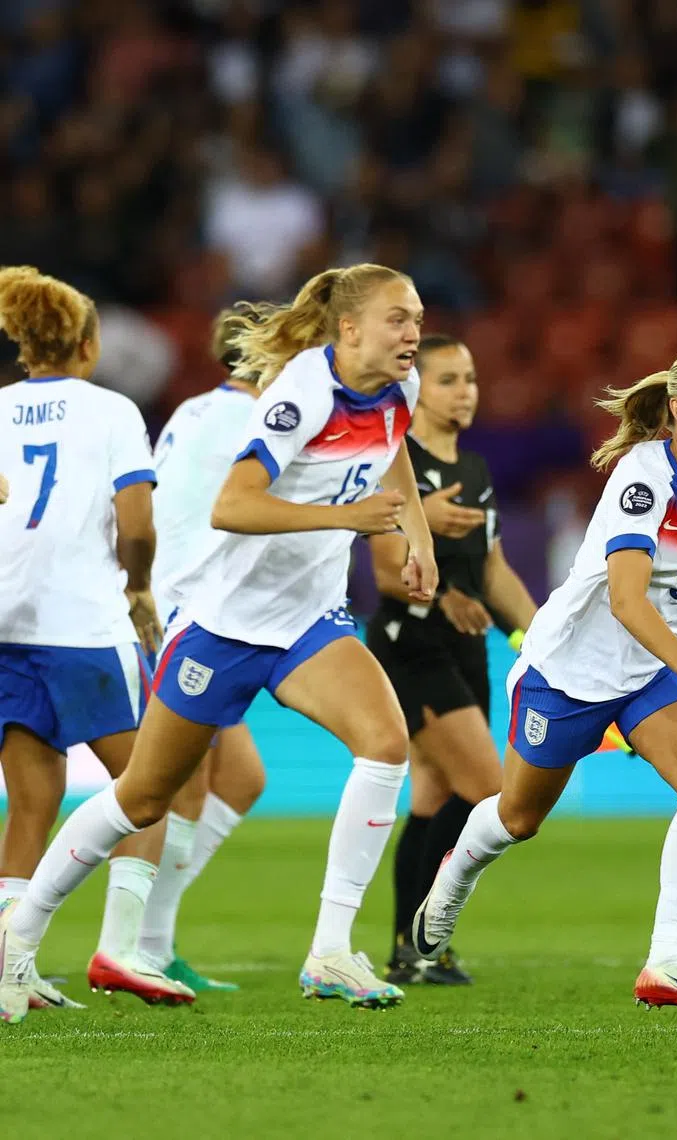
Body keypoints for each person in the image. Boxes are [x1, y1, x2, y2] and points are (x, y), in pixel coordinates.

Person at [0, 263, 438, 1025]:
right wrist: (348, 519)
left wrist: (416, 533)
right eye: (399, 318)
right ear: (349, 328)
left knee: (386, 743)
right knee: (141, 796)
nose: (413, 332)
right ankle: (19, 940)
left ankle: (331, 949)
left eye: (418, 316)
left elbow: (394, 445)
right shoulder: (300, 393)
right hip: (225, 625)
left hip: (307, 620)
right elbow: (234, 507)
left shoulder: (402, 387)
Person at [411, 347, 677, 1016]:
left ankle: (668, 962)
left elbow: (676, 597)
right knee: (519, 817)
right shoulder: (642, 479)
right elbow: (629, 601)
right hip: (571, 669)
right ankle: (454, 876)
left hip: (656, 669)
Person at [0, 265, 193, 1011]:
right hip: (81, 623)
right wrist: (138, 584)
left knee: (32, 796)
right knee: (151, 788)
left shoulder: (1, 408)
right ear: (88, 343)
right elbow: (137, 522)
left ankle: (10, 969)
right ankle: (118, 949)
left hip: (7, 621)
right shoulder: (112, 411)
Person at [367, 334, 538, 986]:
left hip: (466, 651)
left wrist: (541, 633)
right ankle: (422, 939)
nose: (464, 390)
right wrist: (443, 595)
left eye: (470, 378)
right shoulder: (395, 462)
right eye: (447, 379)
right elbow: (385, 571)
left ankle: (412, 952)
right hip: (413, 646)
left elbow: (494, 572)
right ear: (417, 391)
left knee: (432, 799)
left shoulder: (477, 471)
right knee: (488, 790)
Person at [137, 308, 269, 994]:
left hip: (185, 603)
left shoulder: (195, 409)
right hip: (187, 613)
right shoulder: (248, 422)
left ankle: (152, 932)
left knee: (241, 778)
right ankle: (142, 944)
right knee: (172, 785)